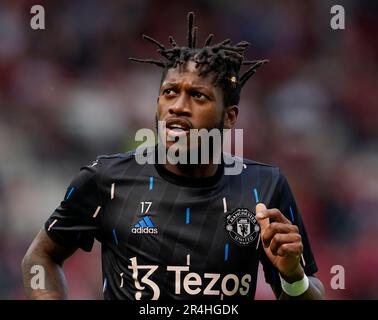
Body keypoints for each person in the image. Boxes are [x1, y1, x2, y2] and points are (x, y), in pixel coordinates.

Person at [22, 12, 324, 300]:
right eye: (170, 92)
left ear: (229, 117)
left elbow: (309, 291)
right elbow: (41, 256)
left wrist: (293, 278)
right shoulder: (106, 179)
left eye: (198, 96)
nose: (178, 106)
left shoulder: (265, 186)